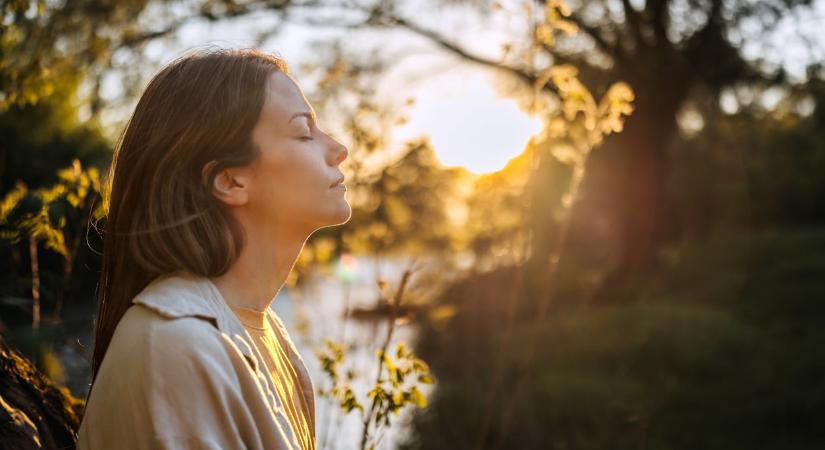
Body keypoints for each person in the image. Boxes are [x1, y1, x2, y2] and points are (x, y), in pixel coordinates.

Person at [76, 47, 351, 450]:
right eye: (303, 131)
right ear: (230, 181)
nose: (338, 148)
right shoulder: (174, 345)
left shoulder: (260, 329)